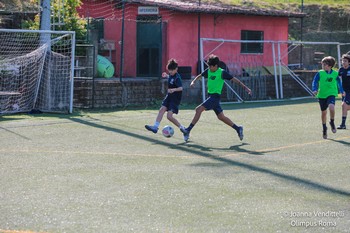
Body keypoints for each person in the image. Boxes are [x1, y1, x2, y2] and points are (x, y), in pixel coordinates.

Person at [181, 54, 252, 142]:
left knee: (198, 109)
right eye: (208, 66)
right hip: (210, 96)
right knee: (221, 117)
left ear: (216, 66)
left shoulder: (222, 72)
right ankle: (238, 128)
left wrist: (246, 88)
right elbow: (200, 75)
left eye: (211, 66)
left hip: (215, 97)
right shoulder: (209, 71)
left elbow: (235, 80)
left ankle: (187, 130)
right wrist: (193, 81)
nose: (209, 68)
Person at [145, 58, 186, 135]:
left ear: (176, 69)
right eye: (169, 70)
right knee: (162, 109)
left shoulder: (177, 78)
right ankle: (155, 127)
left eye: (171, 70)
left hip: (175, 100)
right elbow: (171, 78)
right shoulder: (171, 75)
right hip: (169, 97)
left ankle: (182, 128)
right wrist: (167, 75)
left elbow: (181, 88)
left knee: (169, 116)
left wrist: (173, 90)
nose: (170, 72)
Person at [312, 56, 344, 139]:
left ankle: (332, 122)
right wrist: (314, 89)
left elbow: (339, 82)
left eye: (324, 64)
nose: (322, 65)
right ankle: (324, 128)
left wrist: (341, 90)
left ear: (330, 66)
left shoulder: (335, 73)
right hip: (322, 95)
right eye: (322, 63)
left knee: (331, 107)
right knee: (323, 113)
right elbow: (315, 81)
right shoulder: (320, 73)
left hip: (331, 93)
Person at [337, 53, 350, 129]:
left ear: (349, 62)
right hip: (344, 91)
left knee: (344, 105)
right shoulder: (341, 70)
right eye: (342, 61)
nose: (343, 62)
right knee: (345, 107)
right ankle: (343, 124)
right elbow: (337, 80)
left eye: (345, 61)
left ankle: (343, 124)